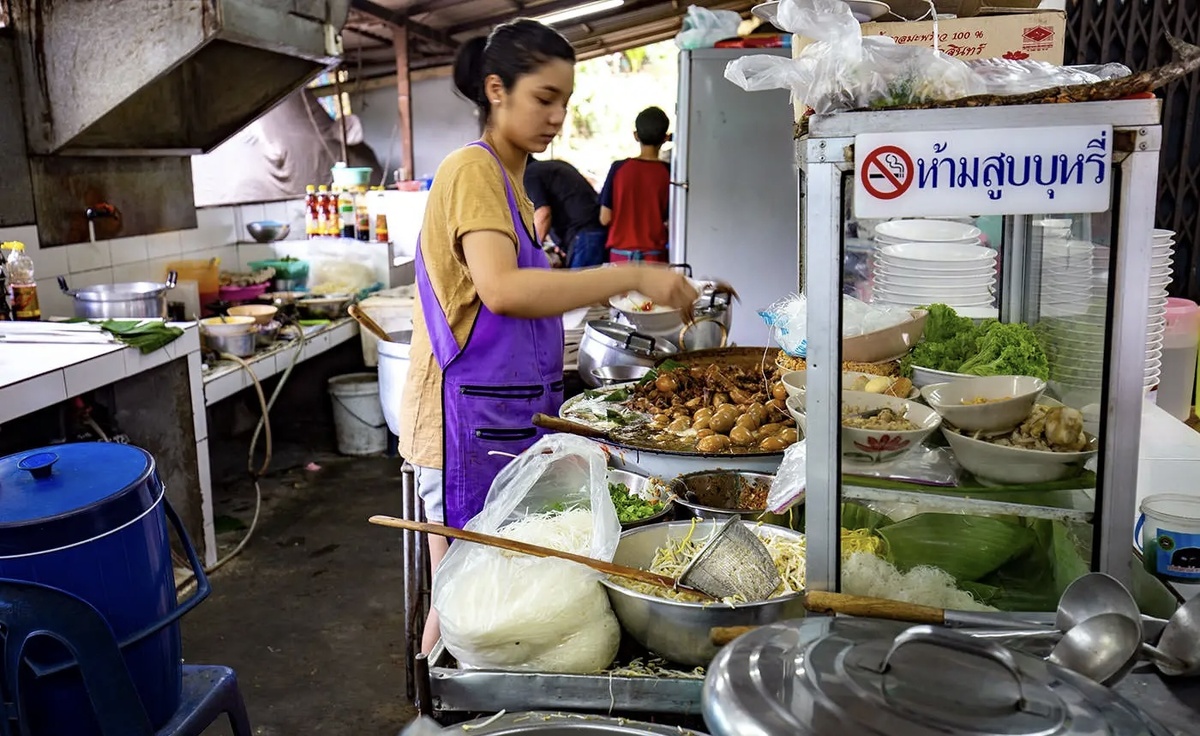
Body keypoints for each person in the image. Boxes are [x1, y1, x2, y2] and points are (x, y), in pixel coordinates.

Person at [397, 20, 698, 654]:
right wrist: (630, 273)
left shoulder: (512, 182)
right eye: (544, 98)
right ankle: (435, 709)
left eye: (566, 99)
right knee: (464, 600)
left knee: (482, 593)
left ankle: (443, 697)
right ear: (497, 90)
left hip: (499, 414)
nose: (557, 115)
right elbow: (503, 290)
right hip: (461, 423)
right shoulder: (470, 170)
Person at [599, 106, 672, 263]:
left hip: (620, 258)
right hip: (655, 259)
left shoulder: (618, 169)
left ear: (636, 136)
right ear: (666, 138)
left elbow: (605, 218)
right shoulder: (669, 173)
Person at [524, 156, 608, 268]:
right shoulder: (550, 167)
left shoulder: (530, 174)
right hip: (592, 233)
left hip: (583, 237)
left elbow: (543, 214)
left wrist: (529, 254)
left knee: (580, 285)